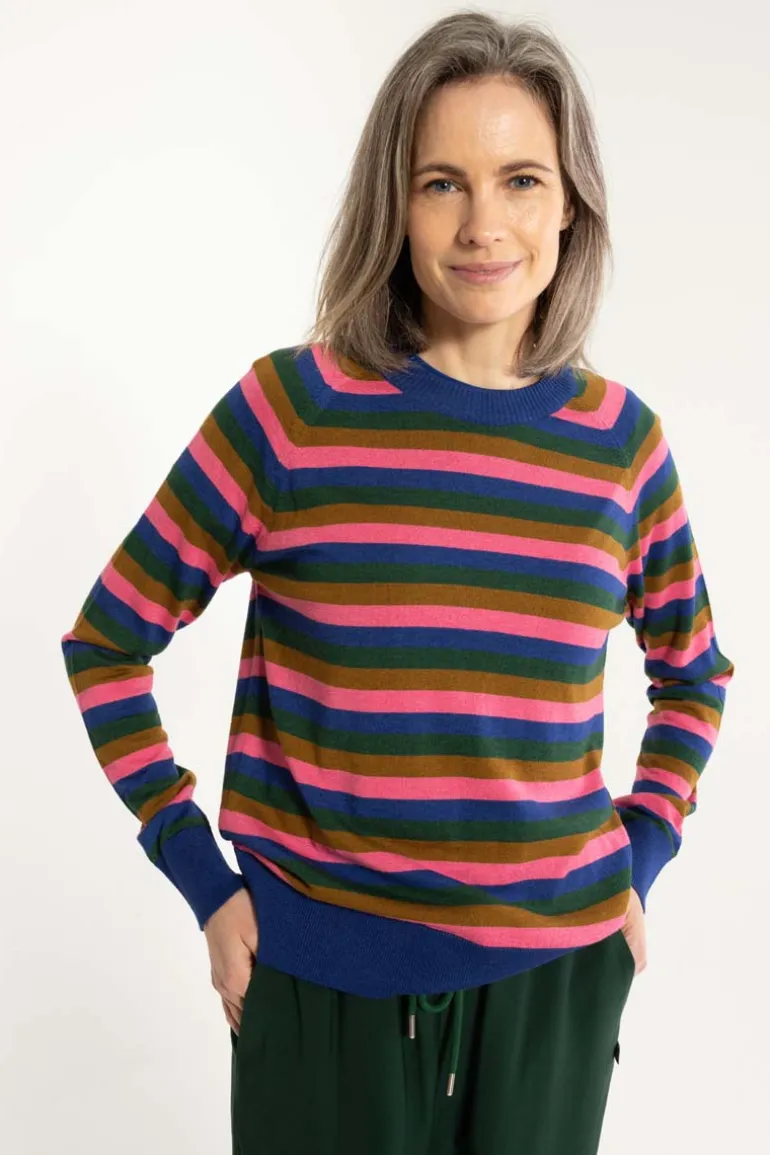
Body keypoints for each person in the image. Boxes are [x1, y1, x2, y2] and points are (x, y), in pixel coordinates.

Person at [61, 11, 735, 1155]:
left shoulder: (621, 444)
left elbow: (692, 674)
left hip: (555, 990)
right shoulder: (291, 411)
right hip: (317, 981)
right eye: (439, 184)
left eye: (518, 180)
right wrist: (201, 879)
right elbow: (106, 644)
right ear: (394, 202)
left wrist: (640, 856)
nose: (482, 225)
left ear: (567, 206)